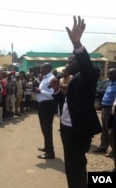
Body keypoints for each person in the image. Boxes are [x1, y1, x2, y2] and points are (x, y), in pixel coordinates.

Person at [51, 16, 102, 188]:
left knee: (76, 166)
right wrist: (58, 90)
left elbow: (86, 64)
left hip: (78, 130)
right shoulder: (73, 78)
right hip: (67, 128)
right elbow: (66, 102)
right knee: (71, 165)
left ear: (79, 63)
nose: (67, 64)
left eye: (70, 61)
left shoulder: (89, 75)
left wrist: (77, 45)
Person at [33, 62, 56, 159]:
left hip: (47, 105)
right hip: (43, 105)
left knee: (47, 128)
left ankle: (50, 152)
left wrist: (40, 91)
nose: (40, 70)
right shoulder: (45, 78)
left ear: (47, 69)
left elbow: (52, 94)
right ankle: (47, 147)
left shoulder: (51, 79)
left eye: (42, 68)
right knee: (44, 128)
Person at [92, 68, 116, 157]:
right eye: (108, 74)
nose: (109, 76)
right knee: (105, 128)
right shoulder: (110, 84)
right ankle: (103, 147)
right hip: (104, 108)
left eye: (111, 74)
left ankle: (114, 150)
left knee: (112, 130)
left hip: (112, 109)